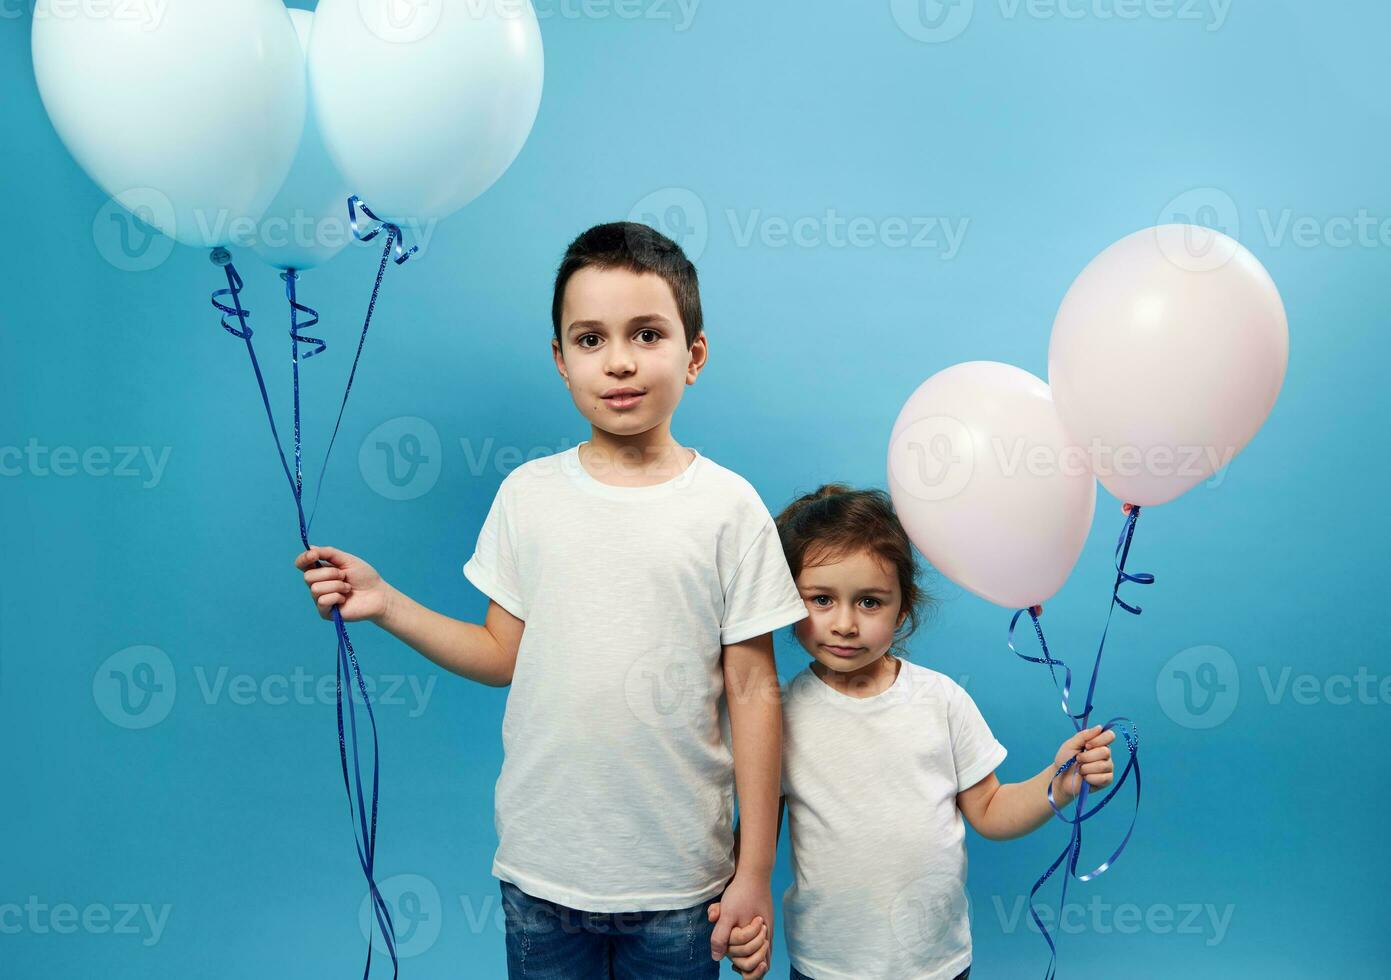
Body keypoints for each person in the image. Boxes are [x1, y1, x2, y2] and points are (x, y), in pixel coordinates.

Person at [293, 221, 806, 978]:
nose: (620, 361)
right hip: (543, 874)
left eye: (647, 333)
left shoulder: (728, 507)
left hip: (680, 880)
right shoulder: (528, 495)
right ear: (561, 361)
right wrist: (387, 602)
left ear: (693, 355)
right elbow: (502, 655)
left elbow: (754, 692)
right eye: (590, 339)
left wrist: (754, 867)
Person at [709, 485, 1119, 980]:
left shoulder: (941, 701)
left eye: (869, 602)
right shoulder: (778, 716)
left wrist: (1060, 782)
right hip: (827, 966)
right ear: (789, 605)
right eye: (821, 600)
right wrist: (741, 913)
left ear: (902, 609)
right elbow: (754, 835)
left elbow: (990, 811)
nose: (844, 624)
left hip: (935, 964)